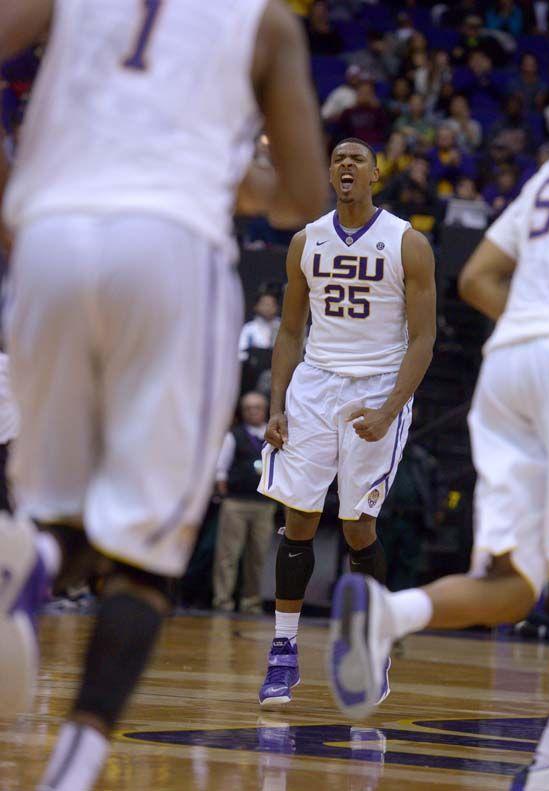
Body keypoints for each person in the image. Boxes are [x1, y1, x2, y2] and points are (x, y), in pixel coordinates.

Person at [328, 29, 549, 791]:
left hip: (507, 364)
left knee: (516, 582)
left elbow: (479, 276)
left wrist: (540, 322)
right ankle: (548, 769)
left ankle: (390, 614)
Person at [0, 2, 327, 791]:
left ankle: (36, 557)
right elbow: (305, 199)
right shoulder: (264, 23)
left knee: (55, 506)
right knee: (149, 553)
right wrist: (239, 182)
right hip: (172, 242)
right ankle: (72, 768)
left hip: (48, 235)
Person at [256, 137, 436, 707]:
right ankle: (283, 654)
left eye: (357, 158)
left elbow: (424, 338)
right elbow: (289, 331)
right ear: (330, 175)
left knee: (358, 526)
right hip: (314, 383)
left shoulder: (408, 242)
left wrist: (388, 411)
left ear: (377, 174)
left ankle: (370, 643)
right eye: (337, 158)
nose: (346, 165)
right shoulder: (305, 241)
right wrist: (278, 402)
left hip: (378, 386)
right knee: (300, 518)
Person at [213, 392, 276, 614]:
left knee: (257, 555)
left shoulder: (273, 434)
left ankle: (251, 602)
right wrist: (226, 496)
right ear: (243, 411)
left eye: (257, 407)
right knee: (228, 555)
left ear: (265, 409)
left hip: (264, 505)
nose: (253, 411)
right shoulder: (234, 435)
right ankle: (223, 601)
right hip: (236, 503)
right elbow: (221, 470)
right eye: (248, 408)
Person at [239, 291, 281, 362]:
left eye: (271, 304)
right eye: (264, 304)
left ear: (277, 307)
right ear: (256, 307)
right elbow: (241, 353)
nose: (268, 308)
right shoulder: (249, 328)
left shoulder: (282, 327)